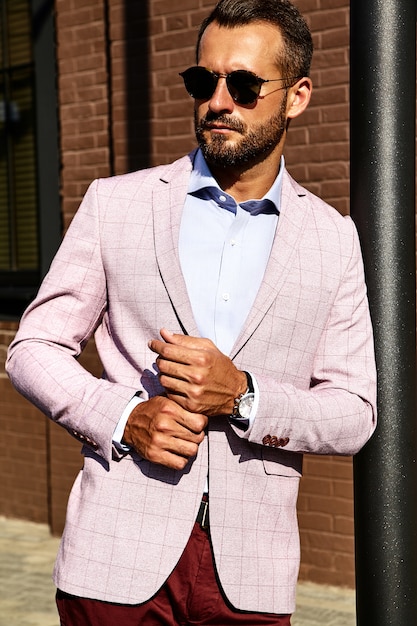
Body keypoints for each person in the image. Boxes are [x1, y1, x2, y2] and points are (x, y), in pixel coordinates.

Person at [6, 0, 377, 624]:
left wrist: (244, 396)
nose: (218, 101)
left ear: (298, 96)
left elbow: (354, 411)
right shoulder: (116, 206)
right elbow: (33, 348)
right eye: (204, 81)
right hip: (115, 557)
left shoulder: (331, 239)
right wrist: (123, 415)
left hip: (250, 573)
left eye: (245, 84)